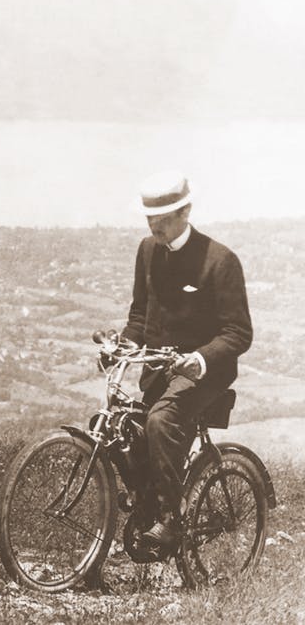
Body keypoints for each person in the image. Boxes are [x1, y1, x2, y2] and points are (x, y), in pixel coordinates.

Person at [120, 170, 252, 551]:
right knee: (126, 427)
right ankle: (143, 510)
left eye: (162, 219)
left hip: (206, 375)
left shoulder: (220, 261)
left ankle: (170, 521)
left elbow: (238, 333)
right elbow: (139, 316)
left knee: (161, 421)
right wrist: (124, 345)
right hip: (160, 372)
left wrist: (200, 358)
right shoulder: (147, 251)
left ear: (186, 212)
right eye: (149, 219)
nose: (154, 226)